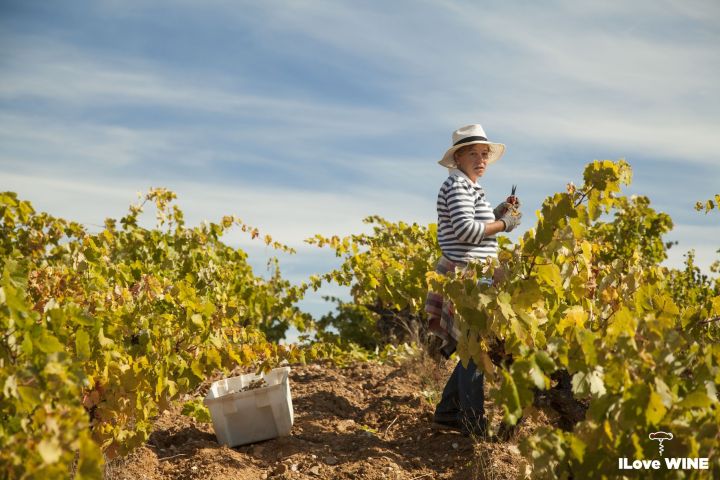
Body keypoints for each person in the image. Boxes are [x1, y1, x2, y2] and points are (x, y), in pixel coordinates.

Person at [425, 124, 522, 437]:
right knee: (475, 349)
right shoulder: (457, 186)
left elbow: (468, 224)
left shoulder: (467, 186)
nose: (481, 159)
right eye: (474, 154)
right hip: (466, 276)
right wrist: (505, 224)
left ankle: (448, 413)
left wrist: (497, 212)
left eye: (484, 154)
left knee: (471, 348)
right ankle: (473, 424)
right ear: (458, 157)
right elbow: (467, 233)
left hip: (472, 275)